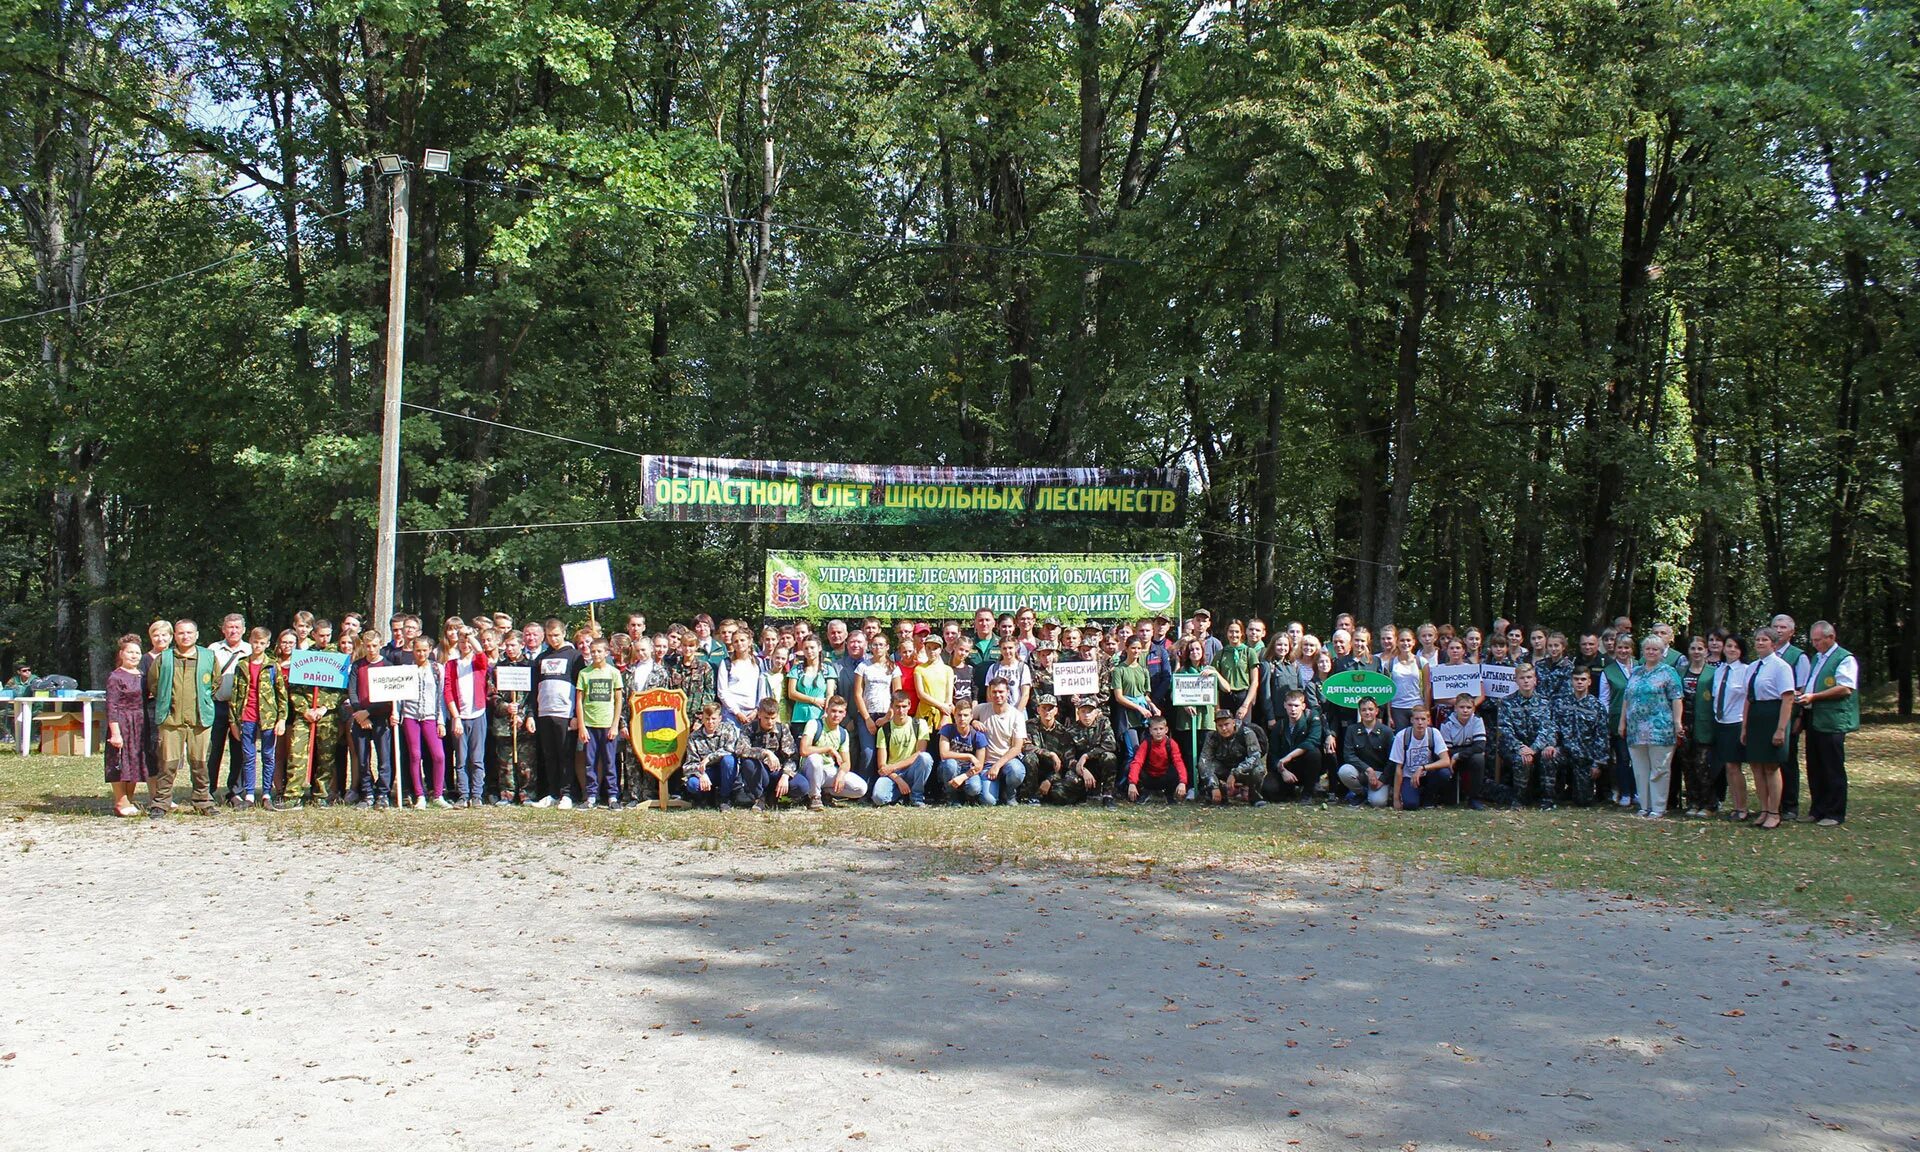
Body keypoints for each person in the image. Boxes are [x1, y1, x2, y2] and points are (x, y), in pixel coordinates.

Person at [149, 619, 219, 818]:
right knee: (167, 764)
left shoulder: (208, 657)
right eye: (181, 633)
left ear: (196, 635)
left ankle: (203, 801)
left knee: (200, 763)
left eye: (189, 632)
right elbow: (154, 684)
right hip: (170, 720)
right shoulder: (164, 658)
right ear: (175, 636)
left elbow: (215, 683)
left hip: (200, 720)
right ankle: (161, 803)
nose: (185, 636)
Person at [1797, 620, 1857, 827]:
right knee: (1815, 766)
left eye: (1818, 640)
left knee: (1832, 766)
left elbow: (1845, 687)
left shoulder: (1845, 658)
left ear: (1831, 637)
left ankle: (1834, 812)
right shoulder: (1817, 658)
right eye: (1813, 640)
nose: (1815, 644)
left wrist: (1814, 696)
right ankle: (1817, 810)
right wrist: (1803, 694)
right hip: (1814, 717)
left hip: (1832, 720)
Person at [1619, 636, 1685, 819]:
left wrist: (1677, 723)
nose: (1651, 652)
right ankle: (1644, 806)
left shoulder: (1668, 672)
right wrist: (1622, 722)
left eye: (1655, 649)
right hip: (1635, 729)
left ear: (1662, 652)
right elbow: (1627, 698)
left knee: (1659, 769)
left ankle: (1658, 807)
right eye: (1648, 649)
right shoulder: (1636, 672)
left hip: (1660, 729)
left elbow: (1677, 698)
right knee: (1640, 770)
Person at [1743, 627, 1797, 831]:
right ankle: (1764, 809)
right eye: (1757, 639)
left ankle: (1775, 812)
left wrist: (1781, 729)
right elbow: (1748, 697)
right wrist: (1744, 727)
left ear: (1773, 644)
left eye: (1764, 640)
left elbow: (1788, 698)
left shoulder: (1781, 667)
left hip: (1773, 715)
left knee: (1771, 766)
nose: (1760, 643)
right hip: (1755, 716)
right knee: (1756, 765)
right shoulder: (1752, 667)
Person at [228, 628, 287, 809]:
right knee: (248, 756)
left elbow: (282, 695)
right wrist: (233, 721)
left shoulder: (273, 666)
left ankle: (267, 793)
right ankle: (250, 794)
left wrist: (282, 719)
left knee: (268, 756)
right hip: (247, 717)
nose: (258, 646)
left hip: (268, 717)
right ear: (250, 641)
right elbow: (234, 695)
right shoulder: (242, 665)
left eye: (262, 643)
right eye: (255, 642)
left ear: (268, 644)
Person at [286, 639, 348, 807]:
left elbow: (343, 690)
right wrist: (304, 709)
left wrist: (325, 708)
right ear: (314, 635)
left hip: (327, 715)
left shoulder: (338, 658)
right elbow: (294, 688)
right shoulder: (304, 656)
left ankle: (321, 795)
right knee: (296, 753)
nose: (324, 639)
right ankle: (292, 795)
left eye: (328, 635)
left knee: (326, 757)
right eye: (320, 635)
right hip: (305, 714)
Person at [531, 619, 584, 808]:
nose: (553, 639)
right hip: (544, 712)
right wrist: (532, 714)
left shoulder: (575, 656)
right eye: (549, 636)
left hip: (565, 714)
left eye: (556, 635)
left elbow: (580, 688)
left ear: (564, 633)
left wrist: (576, 715)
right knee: (549, 755)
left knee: (565, 755)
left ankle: (567, 794)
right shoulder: (541, 658)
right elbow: (534, 688)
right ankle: (552, 793)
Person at [347, 630, 397, 808]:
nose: (371, 649)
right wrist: (360, 714)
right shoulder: (357, 665)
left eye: (374, 646)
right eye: (368, 646)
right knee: (362, 758)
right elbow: (352, 691)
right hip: (360, 717)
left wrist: (368, 712)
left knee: (384, 758)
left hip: (381, 717)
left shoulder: (388, 666)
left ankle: (383, 793)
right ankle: (367, 793)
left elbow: (388, 695)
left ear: (380, 644)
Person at [398, 636, 449, 809]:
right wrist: (396, 713)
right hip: (410, 716)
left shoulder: (437, 669)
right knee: (415, 755)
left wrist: (441, 721)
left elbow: (440, 696)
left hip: (430, 716)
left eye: (424, 650)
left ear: (430, 650)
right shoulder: (406, 669)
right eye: (418, 650)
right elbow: (398, 695)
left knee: (439, 755)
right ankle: (419, 795)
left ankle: (438, 794)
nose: (421, 654)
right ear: (413, 651)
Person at [1501, 664, 1560, 810]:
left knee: (1549, 754)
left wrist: (1533, 749)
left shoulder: (1545, 703)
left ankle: (1547, 800)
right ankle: (1519, 800)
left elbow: (1547, 729)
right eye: (1522, 678)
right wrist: (1520, 748)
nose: (1526, 681)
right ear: (1516, 680)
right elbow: (1505, 730)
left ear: (1535, 680)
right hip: (1515, 748)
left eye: (1529, 677)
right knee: (1521, 759)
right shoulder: (1506, 702)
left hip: (1537, 747)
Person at [575, 637, 624, 809]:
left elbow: (618, 701)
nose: (595, 654)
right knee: (590, 762)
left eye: (599, 651)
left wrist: (615, 725)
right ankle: (591, 796)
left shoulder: (614, 673)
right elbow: (579, 701)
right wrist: (582, 726)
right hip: (590, 725)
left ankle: (612, 796)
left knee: (610, 762)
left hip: (608, 725)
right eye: (593, 651)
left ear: (606, 653)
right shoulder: (584, 673)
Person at [208, 613, 251, 804]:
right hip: (217, 705)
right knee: (213, 749)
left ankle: (235, 791)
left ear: (243, 630)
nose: (233, 631)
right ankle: (208, 790)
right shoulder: (213, 649)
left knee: (239, 750)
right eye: (230, 627)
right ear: (223, 629)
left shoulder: (250, 649)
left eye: (237, 627)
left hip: (241, 708)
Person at [104, 635, 150, 817]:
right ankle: (120, 801)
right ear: (121, 653)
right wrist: (115, 733)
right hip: (122, 721)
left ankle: (129, 800)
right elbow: (111, 706)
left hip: (140, 723)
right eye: (130, 652)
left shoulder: (143, 676)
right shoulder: (116, 677)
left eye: (137, 652)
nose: (134, 655)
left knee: (135, 761)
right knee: (119, 762)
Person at [1713, 633, 1754, 821]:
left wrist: (1745, 726)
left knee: (1734, 765)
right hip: (1720, 722)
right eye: (1729, 646)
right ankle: (1736, 806)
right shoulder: (1720, 669)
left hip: (1736, 722)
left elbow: (1748, 698)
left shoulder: (1746, 670)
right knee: (1728, 767)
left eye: (1736, 647)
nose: (1731, 649)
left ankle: (1742, 808)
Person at [490, 630, 533, 804]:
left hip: (523, 722)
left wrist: (523, 714)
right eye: (507, 645)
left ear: (522, 645)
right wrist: (506, 707)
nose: (509, 649)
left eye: (513, 645)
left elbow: (533, 696)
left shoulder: (530, 666)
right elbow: (492, 695)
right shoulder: (498, 668)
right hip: (504, 723)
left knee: (526, 761)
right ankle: (507, 794)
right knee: (505, 762)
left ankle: (526, 793)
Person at [1555, 667, 1608, 807]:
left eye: (1583, 679)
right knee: (1549, 757)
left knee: (1583, 801)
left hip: (1585, 757)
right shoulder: (1561, 703)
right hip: (1564, 752)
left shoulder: (1597, 706)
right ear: (1571, 681)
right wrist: (1551, 746)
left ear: (1589, 682)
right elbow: (1553, 728)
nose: (1579, 682)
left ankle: (1576, 791)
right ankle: (1551, 795)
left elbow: (1602, 737)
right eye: (1576, 679)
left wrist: (1597, 764)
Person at [683, 702, 751, 809]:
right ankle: (706, 797)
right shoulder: (694, 737)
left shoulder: (728, 729)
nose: (710, 722)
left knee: (729, 760)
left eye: (713, 719)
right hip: (708, 773)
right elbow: (688, 765)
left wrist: (709, 758)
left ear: (720, 718)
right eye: (707, 719)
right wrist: (701, 774)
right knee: (692, 784)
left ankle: (724, 798)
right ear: (702, 719)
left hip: (727, 771)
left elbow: (730, 749)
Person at [971, 678, 1029, 805]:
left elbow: (1017, 747)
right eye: (994, 692)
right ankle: (994, 791)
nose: (997, 695)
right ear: (989, 693)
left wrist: (997, 766)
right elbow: (965, 718)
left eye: (1001, 692)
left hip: (1008, 761)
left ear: (1008, 692)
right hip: (987, 764)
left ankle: (1009, 793)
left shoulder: (1017, 715)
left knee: (1017, 772)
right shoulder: (981, 709)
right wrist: (973, 721)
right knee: (988, 801)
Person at [870, 692, 933, 806]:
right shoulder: (884, 730)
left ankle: (916, 797)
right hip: (892, 775)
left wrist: (893, 767)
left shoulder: (920, 724)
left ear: (909, 705)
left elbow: (919, 753)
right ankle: (903, 794)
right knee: (878, 798)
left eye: (904, 706)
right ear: (891, 706)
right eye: (897, 706)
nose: (901, 710)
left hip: (912, 769)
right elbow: (882, 765)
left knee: (925, 758)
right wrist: (898, 779)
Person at [802, 695, 866, 806]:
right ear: (827, 710)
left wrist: (841, 774)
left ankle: (826, 792)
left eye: (840, 712)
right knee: (815, 759)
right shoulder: (814, 724)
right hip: (810, 770)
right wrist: (828, 749)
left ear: (844, 714)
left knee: (861, 788)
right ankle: (814, 796)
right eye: (833, 711)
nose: (836, 715)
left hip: (829, 770)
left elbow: (846, 762)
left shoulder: (843, 733)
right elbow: (804, 750)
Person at [1771, 613, 1804, 821]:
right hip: (1768, 716)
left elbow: (1801, 690)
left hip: (1789, 716)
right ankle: (1773, 804)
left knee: (1788, 761)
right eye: (1775, 626)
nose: (1778, 630)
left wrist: (1798, 718)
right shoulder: (1766, 654)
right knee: (1771, 761)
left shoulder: (1798, 657)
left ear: (1791, 632)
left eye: (1783, 627)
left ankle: (1790, 805)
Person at [1678, 637, 1716, 817]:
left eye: (1700, 648)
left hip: (1704, 723)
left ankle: (1708, 804)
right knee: (1687, 764)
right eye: (1693, 648)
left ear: (1706, 651)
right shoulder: (1681, 671)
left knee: (1703, 764)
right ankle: (1692, 802)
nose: (1696, 652)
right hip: (1684, 722)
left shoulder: (1713, 673)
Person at [1598, 633, 1637, 808]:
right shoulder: (1608, 671)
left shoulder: (1640, 667)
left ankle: (1638, 792)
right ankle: (1625, 793)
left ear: (1631, 649)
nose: (1623, 651)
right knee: (1623, 757)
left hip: (1640, 719)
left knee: (1639, 758)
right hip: (1617, 720)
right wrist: (1607, 720)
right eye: (1620, 647)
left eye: (1626, 647)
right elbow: (1604, 700)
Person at [1389, 706, 1453, 810]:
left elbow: (1446, 761)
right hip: (1409, 776)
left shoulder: (1434, 733)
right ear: (1411, 720)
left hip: (1428, 774)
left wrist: (1422, 768)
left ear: (1428, 720)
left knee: (1444, 773)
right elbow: (1398, 768)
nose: (1420, 723)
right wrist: (1396, 799)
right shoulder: (1402, 736)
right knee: (1410, 805)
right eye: (1416, 719)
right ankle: (1414, 794)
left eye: (1423, 719)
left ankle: (1429, 798)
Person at [1196, 710, 1264, 806]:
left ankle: (1255, 798)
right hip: (1224, 769)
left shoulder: (1246, 733)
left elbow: (1255, 756)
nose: (1223, 728)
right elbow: (1204, 761)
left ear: (1233, 723)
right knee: (1207, 766)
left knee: (1258, 769)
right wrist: (1213, 786)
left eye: (1226, 724)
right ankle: (1220, 795)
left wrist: (1235, 773)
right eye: (1220, 726)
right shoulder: (1212, 736)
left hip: (1244, 770)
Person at [1265, 690, 1322, 803]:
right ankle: (1289, 790)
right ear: (1284, 705)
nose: (1293, 709)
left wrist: (1289, 756)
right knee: (1268, 789)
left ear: (1303, 706)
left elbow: (1313, 740)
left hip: (1305, 766)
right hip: (1286, 768)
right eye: (1290, 705)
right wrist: (1282, 771)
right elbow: (1273, 754)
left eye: (1296, 705)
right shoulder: (1280, 725)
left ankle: (1307, 793)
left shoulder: (1311, 719)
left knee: (1314, 753)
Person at [742, 698, 798, 811]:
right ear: (759, 714)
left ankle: (774, 796)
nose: (770, 722)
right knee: (748, 763)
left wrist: (785, 775)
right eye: (766, 718)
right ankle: (760, 797)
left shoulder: (783, 729)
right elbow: (741, 749)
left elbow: (792, 756)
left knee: (802, 786)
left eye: (773, 718)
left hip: (778, 771)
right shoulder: (750, 728)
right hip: (760, 772)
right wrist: (765, 752)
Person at [1337, 697, 1392, 807]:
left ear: (1376, 711)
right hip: (1361, 772)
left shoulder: (1386, 731)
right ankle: (1361, 793)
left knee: (1378, 803)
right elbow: (1349, 755)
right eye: (1364, 710)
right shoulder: (1352, 729)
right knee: (1344, 771)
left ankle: (1379, 792)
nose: (1367, 712)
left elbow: (1392, 761)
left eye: (1370, 709)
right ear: (1360, 712)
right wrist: (1368, 769)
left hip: (1379, 774)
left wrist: (1382, 780)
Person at [1437, 693, 1487, 810]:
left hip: (1466, 756)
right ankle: (1445, 795)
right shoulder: (1446, 724)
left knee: (1479, 759)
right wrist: (1456, 755)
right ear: (1455, 708)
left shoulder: (1477, 720)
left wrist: (1459, 755)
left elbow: (1480, 746)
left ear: (1473, 709)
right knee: (1450, 801)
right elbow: (1447, 750)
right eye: (1462, 707)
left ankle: (1474, 798)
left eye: (1469, 707)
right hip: (1451, 758)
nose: (1465, 710)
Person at [937, 699, 991, 804]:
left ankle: (966, 796)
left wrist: (963, 777)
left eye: (965, 715)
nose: (962, 719)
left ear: (971, 717)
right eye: (959, 715)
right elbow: (944, 754)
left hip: (969, 770)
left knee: (974, 788)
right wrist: (969, 756)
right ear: (954, 716)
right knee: (950, 764)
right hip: (950, 769)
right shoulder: (947, 729)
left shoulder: (978, 735)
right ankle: (951, 796)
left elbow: (979, 766)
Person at [1125, 714, 1187, 804]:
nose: (1158, 732)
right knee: (1133, 767)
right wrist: (1132, 783)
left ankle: (1169, 795)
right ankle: (1144, 793)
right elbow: (1137, 762)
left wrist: (1183, 782)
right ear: (1150, 731)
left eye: (1161, 729)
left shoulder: (1171, 743)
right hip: (1148, 778)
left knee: (1176, 769)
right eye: (1155, 729)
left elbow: (1179, 762)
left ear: (1166, 730)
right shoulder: (1146, 743)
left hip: (1164, 777)